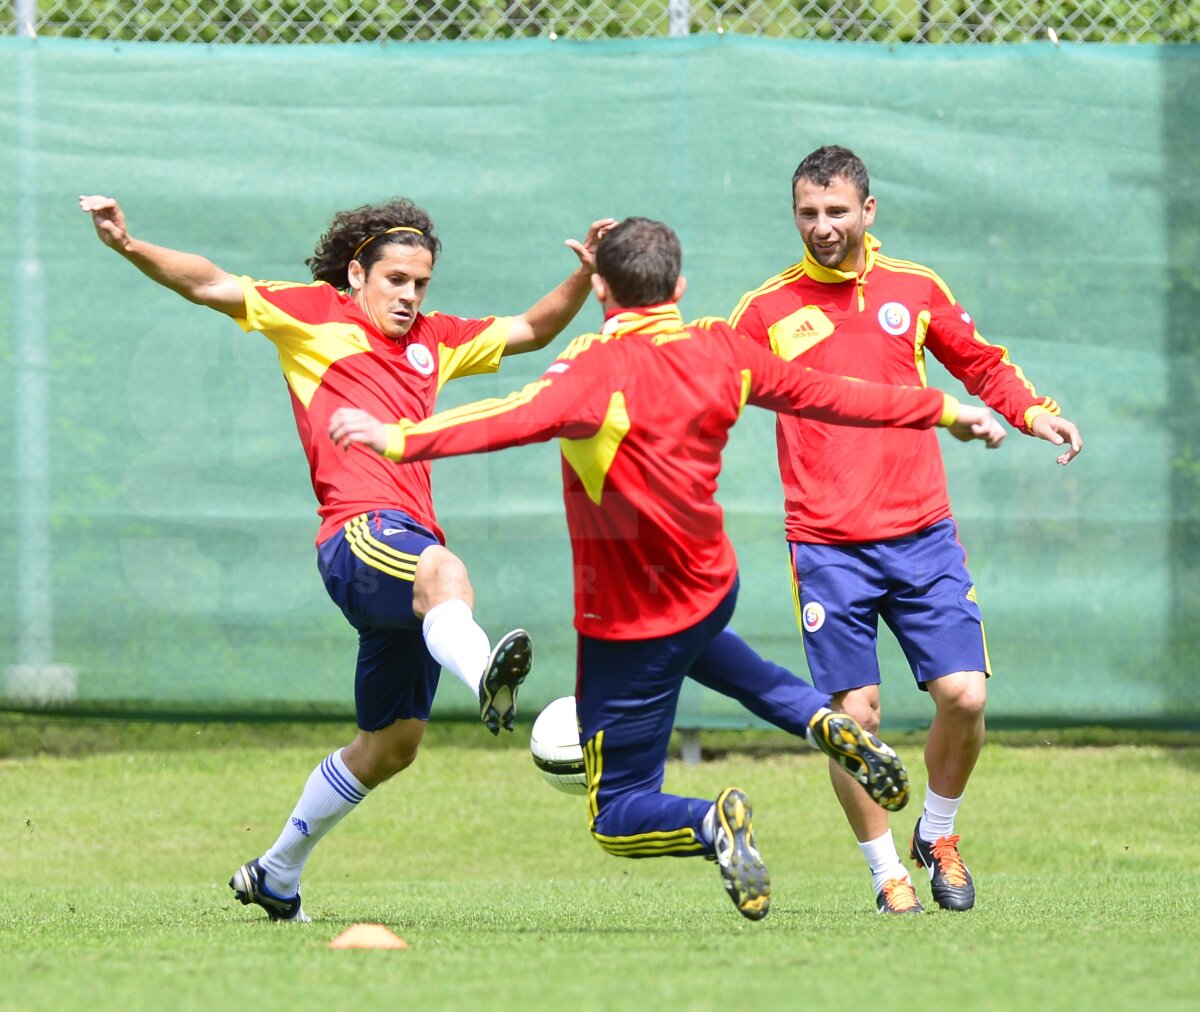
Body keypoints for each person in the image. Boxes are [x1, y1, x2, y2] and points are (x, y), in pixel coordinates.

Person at [327, 216, 1006, 920]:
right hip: (708, 585)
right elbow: (833, 392)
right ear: (677, 287)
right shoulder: (721, 348)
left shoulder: (593, 368)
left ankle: (712, 824)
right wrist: (944, 409)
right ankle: (819, 720)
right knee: (709, 649)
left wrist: (396, 436)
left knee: (615, 813)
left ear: (600, 290)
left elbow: (506, 416)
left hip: (626, 618)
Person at [80, 193, 616, 923]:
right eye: (396, 280)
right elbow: (207, 283)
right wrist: (128, 244)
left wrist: (586, 276)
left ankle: (276, 873)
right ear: (357, 274)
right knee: (445, 573)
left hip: (404, 548)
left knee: (392, 745)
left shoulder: (436, 339)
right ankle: (486, 678)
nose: (409, 295)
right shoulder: (312, 314)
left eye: (420, 283)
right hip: (358, 534)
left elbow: (532, 328)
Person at [727, 145, 1084, 915]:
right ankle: (887, 872)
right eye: (808, 213)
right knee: (855, 721)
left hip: (922, 534)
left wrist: (1033, 412)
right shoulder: (765, 311)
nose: (823, 226)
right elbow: (709, 384)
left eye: (837, 211)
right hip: (827, 546)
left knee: (965, 696)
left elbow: (981, 364)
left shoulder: (914, 289)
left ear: (868, 210)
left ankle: (938, 835)